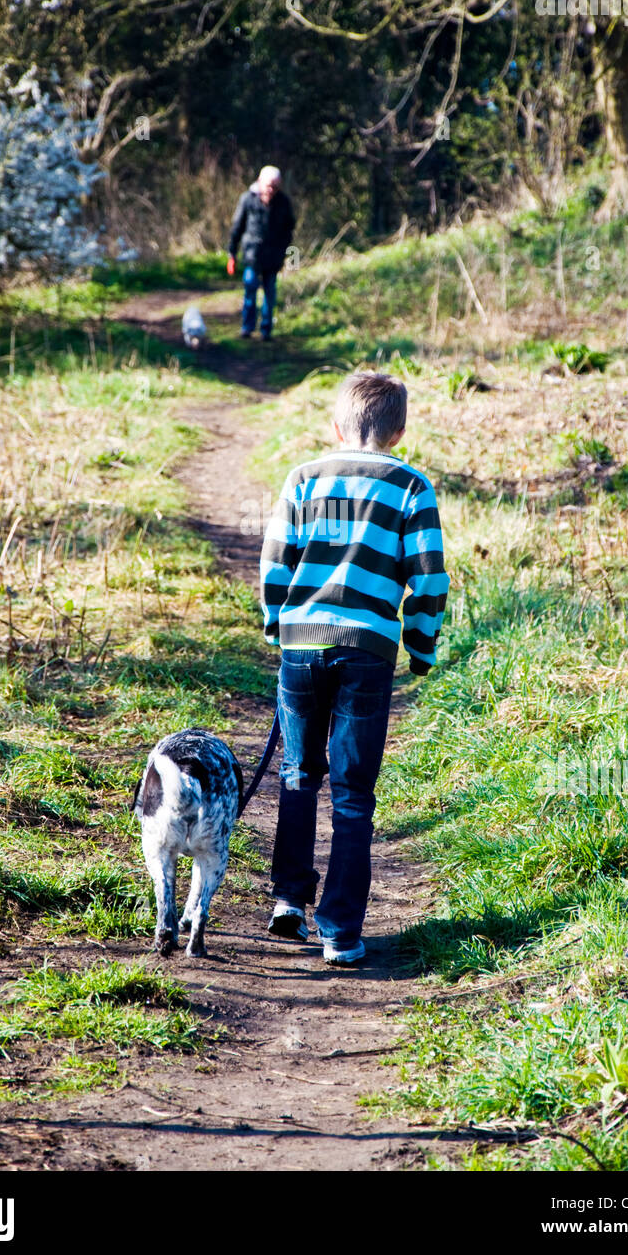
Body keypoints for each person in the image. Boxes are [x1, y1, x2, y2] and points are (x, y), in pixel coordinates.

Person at [259, 372, 449, 964]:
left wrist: (278, 625)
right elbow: (429, 578)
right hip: (367, 653)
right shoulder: (411, 486)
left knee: (296, 774)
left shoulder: (303, 478)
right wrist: (420, 647)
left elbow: (274, 561)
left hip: (301, 646)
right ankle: (339, 930)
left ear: (335, 427)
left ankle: (288, 901)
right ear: (399, 430)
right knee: (353, 796)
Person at [227, 165, 295, 341]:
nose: (271, 190)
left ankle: (266, 330)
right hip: (252, 255)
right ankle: (247, 328)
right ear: (260, 182)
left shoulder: (283, 203)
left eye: (275, 186)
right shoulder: (247, 199)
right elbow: (237, 227)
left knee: (269, 293)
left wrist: (285, 252)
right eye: (268, 185)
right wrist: (231, 254)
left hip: (273, 258)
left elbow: (289, 230)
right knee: (250, 288)